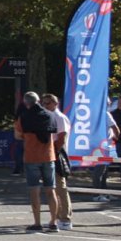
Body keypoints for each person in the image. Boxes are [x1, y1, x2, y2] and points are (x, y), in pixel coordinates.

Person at [15, 91, 58, 232]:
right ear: (38, 100)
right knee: (50, 189)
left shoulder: (23, 117)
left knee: (34, 190)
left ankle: (37, 222)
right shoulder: (50, 115)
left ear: (26, 103)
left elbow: (18, 135)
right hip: (48, 155)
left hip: (31, 156)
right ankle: (53, 222)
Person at [41, 94, 72, 230]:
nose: (45, 105)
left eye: (48, 103)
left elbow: (62, 137)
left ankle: (65, 218)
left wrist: (55, 152)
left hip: (58, 154)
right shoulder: (50, 117)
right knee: (54, 187)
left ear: (55, 103)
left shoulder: (59, 117)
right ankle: (59, 216)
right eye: (43, 103)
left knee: (61, 187)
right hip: (51, 153)